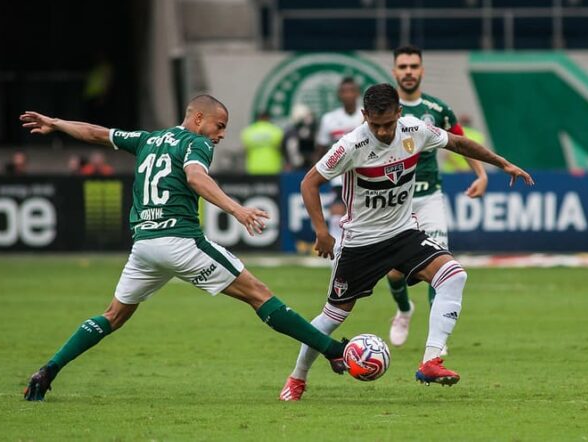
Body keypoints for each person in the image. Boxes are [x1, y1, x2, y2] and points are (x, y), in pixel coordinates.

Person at [19, 95, 348, 402]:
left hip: (144, 246)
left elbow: (98, 134)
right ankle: (332, 349)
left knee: (113, 316)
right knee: (258, 294)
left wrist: (57, 123)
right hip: (179, 241)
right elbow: (195, 178)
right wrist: (238, 210)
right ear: (199, 118)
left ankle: (49, 370)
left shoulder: (148, 139)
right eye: (220, 126)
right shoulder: (197, 142)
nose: (220, 135)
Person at [279, 84, 533, 401]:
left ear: (400, 113)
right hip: (361, 244)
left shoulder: (415, 129)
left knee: (454, 275)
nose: (383, 132)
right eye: (376, 125)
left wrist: (502, 163)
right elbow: (309, 183)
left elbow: (457, 142)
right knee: (332, 316)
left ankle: (430, 361)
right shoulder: (351, 145)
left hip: (402, 234)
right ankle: (297, 378)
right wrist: (321, 232)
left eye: (389, 123)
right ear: (364, 117)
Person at [387, 45, 488, 351]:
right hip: (395, 202)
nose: (408, 71)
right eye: (402, 66)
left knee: (439, 266)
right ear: (394, 71)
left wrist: (481, 175)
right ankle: (404, 310)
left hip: (429, 196)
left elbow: (461, 142)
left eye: (413, 66)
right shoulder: (385, 109)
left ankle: (436, 343)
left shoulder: (438, 109)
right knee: (393, 273)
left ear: (422, 70)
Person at [314, 77, 363, 257]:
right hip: (339, 174)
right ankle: (336, 248)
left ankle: (358, 248)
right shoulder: (329, 119)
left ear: (357, 93)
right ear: (339, 94)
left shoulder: (365, 116)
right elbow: (321, 148)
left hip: (363, 173)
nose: (348, 95)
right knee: (337, 206)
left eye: (352, 91)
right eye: (344, 91)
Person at [283, 104, 317, 171]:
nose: (310, 118)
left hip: (308, 166)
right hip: (296, 167)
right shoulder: (292, 133)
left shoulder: (310, 131)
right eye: (307, 116)